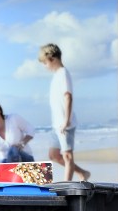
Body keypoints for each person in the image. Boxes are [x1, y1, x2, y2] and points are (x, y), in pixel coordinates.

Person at [38, 43, 90, 181]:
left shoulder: (63, 73)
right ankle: (83, 173)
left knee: (67, 156)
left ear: (52, 58)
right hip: (57, 124)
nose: (44, 66)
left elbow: (68, 97)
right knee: (54, 154)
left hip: (65, 123)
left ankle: (67, 187)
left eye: (44, 62)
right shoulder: (57, 75)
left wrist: (66, 121)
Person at [0, 98, 35, 164]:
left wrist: (22, 144)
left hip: (25, 160)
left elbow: (31, 130)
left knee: (13, 150)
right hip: (5, 162)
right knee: (2, 162)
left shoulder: (13, 119)